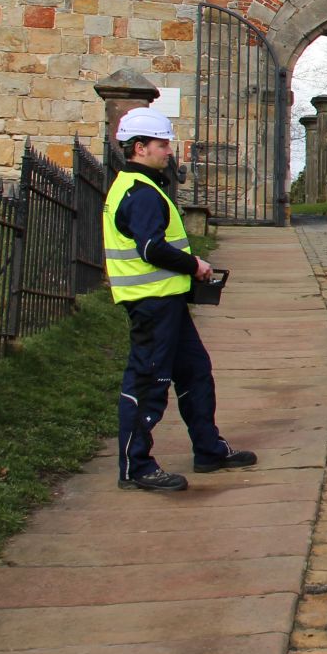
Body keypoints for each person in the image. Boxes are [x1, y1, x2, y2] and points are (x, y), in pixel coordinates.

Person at [105, 107, 256, 491]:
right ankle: (135, 466)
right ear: (139, 147)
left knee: (195, 371)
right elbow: (152, 248)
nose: (169, 150)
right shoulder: (139, 193)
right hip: (151, 303)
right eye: (162, 143)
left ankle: (208, 449)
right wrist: (195, 265)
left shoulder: (144, 186)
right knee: (148, 382)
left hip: (167, 301)